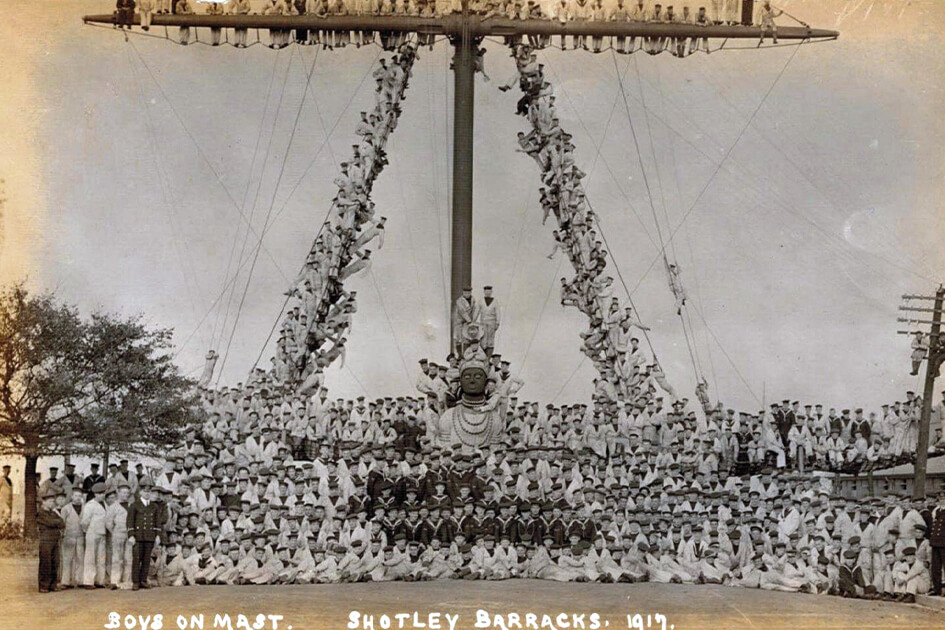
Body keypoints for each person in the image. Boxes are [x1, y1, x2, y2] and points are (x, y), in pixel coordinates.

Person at [127, 477, 164, 590]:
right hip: (138, 536)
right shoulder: (134, 505)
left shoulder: (154, 506)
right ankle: (136, 582)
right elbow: (130, 521)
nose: (147, 493)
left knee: (147, 559)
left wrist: (157, 535)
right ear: (140, 492)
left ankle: (143, 580)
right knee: (137, 558)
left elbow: (157, 522)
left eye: (149, 491)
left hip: (149, 536)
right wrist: (131, 535)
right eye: (145, 491)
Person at [80, 482, 108, 589]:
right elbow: (84, 522)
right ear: (95, 494)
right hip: (92, 533)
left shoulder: (105, 504)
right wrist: (88, 531)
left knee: (101, 558)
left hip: (102, 534)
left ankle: (99, 580)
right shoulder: (90, 505)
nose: (101, 495)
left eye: (103, 493)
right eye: (99, 493)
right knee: (90, 558)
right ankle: (88, 581)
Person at [37, 490, 65, 593]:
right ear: (43, 502)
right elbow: (51, 522)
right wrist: (56, 523)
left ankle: (53, 584)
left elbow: (62, 523)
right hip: (46, 540)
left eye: (53, 501)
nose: (52, 503)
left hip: (55, 540)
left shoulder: (53, 513)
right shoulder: (41, 513)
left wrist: (56, 522)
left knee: (55, 562)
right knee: (46, 563)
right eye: (49, 501)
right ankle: (44, 585)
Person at [930, 490, 945, 597]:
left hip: (944, 543)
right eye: (940, 499)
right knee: (935, 567)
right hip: (935, 542)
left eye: (944, 499)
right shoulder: (936, 511)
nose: (942, 501)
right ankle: (937, 589)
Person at [480, 286, 500, 356]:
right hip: (483, 322)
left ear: (491, 292)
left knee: (490, 340)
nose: (488, 293)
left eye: (489, 291)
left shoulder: (495, 301)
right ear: (484, 292)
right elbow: (477, 311)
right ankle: (483, 355)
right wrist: (473, 321)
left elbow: (498, 312)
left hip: (492, 322)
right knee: (483, 339)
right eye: (486, 291)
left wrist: (497, 323)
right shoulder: (481, 300)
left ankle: (488, 357)